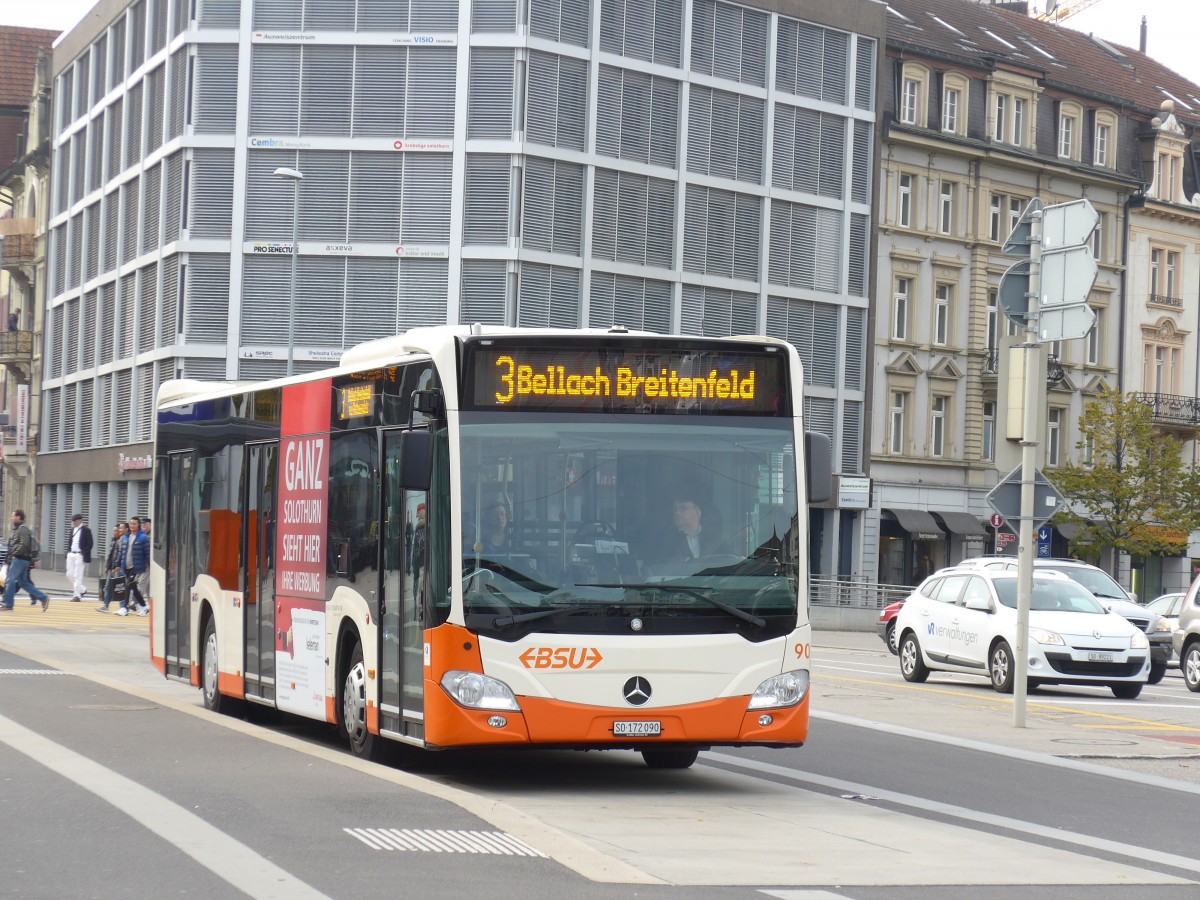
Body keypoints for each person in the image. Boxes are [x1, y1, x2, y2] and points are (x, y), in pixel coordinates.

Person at [1, 509, 50, 612]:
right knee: (23, 582)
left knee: (10, 580)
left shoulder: (22, 529)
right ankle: (43, 598)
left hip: (19, 559)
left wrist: (14, 552)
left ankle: (8, 605)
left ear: (18, 517)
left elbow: (24, 544)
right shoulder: (18, 529)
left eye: (13, 516)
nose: (12, 518)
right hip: (22, 559)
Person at [658, 490, 721, 561]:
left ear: (697, 511)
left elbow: (730, 562)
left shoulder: (715, 539)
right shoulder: (666, 540)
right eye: (675, 509)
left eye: (683, 508)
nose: (677, 512)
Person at [117, 515, 150, 617]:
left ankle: (124, 608)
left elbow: (147, 553)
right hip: (125, 566)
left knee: (129, 585)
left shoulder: (143, 537)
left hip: (136, 567)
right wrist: (117, 564)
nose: (132, 525)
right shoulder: (125, 538)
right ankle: (143, 605)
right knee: (133, 587)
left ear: (138, 525)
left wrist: (149, 566)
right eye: (131, 523)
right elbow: (121, 552)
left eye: (134, 524)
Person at [95, 523, 128, 613]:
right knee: (109, 586)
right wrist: (107, 566)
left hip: (118, 568)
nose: (114, 532)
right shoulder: (114, 541)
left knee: (121, 587)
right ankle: (106, 605)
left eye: (116, 530)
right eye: (114, 531)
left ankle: (126, 606)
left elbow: (120, 556)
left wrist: (116, 567)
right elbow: (111, 555)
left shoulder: (123, 541)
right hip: (112, 567)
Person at [66, 512, 94, 602]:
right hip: (71, 554)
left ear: (80, 520)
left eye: (75, 521)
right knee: (69, 574)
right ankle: (82, 589)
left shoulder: (86, 530)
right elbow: (70, 541)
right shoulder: (72, 529)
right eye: (73, 521)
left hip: (79, 554)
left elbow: (90, 544)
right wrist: (68, 552)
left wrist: (83, 552)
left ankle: (77, 595)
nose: (74, 523)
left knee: (78, 575)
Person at [411, 503, 426, 597]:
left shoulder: (420, 527)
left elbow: (418, 546)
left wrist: (415, 562)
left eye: (419, 513)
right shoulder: (425, 525)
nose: (418, 516)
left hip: (422, 562)